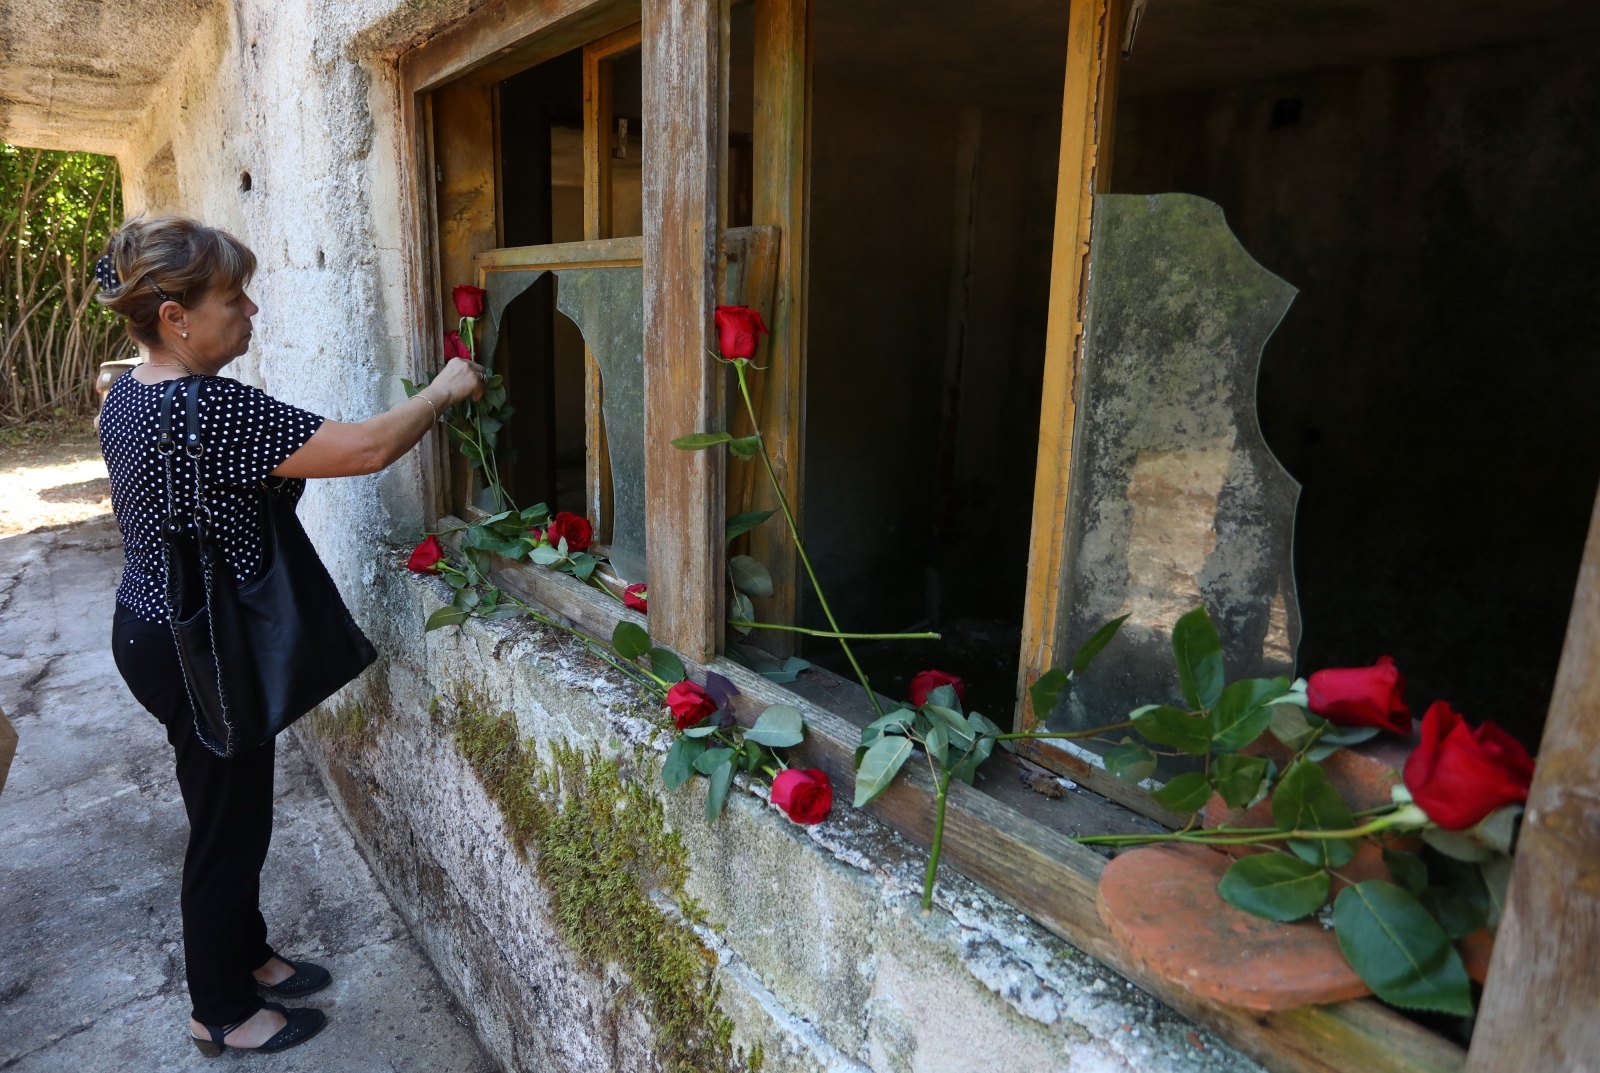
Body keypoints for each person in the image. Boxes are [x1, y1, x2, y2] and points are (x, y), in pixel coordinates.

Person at [94, 216, 483, 1056]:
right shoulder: (210, 408)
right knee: (229, 826)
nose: (253, 310)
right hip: (200, 650)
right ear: (176, 318)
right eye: (234, 298)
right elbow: (370, 447)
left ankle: (248, 952)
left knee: (227, 804)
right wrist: (444, 390)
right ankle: (221, 1009)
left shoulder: (129, 392)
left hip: (158, 630)